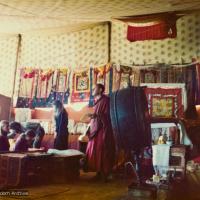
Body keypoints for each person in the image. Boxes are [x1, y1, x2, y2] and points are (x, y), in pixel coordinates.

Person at [86, 84, 116, 181]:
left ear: (100, 89)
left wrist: (97, 115)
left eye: (94, 88)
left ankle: (105, 174)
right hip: (95, 128)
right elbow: (97, 114)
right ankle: (98, 173)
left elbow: (108, 115)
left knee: (102, 151)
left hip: (103, 130)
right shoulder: (96, 101)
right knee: (94, 150)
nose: (92, 90)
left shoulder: (106, 100)